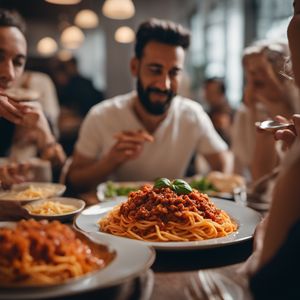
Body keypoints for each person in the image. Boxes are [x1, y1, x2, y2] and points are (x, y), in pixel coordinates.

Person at [67, 18, 229, 193]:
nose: (164, 84)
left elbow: (222, 162)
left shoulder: (192, 115)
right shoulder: (101, 116)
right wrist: (110, 161)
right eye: (155, 70)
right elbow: (74, 180)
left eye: (174, 73)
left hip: (176, 216)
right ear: (135, 67)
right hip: (118, 215)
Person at [0, 9, 66, 186]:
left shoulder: (24, 105)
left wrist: (45, 136)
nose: (9, 73)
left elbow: (59, 174)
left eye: (18, 62)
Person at [231, 40, 299, 181]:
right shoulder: (245, 114)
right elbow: (238, 170)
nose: (256, 77)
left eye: (262, 71)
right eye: (250, 74)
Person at [203, 77, 234, 145]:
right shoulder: (206, 115)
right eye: (206, 92)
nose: (206, 96)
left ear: (222, 94)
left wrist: (226, 130)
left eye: (211, 93)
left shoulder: (235, 115)